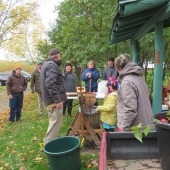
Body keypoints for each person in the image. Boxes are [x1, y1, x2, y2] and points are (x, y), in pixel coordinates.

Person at [114, 53, 153, 132]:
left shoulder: (127, 82)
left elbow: (130, 108)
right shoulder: (139, 79)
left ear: (120, 68)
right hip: (145, 126)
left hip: (135, 129)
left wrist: (124, 129)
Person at [40, 48, 67, 145]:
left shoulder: (47, 64)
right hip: (53, 102)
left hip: (52, 101)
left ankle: (52, 144)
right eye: (60, 56)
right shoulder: (52, 65)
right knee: (54, 125)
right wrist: (57, 100)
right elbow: (50, 84)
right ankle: (49, 146)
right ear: (57, 56)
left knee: (54, 125)